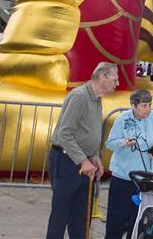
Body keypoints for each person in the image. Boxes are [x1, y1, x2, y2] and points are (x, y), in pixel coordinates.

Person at [46, 62, 118, 239]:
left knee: (81, 217)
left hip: (84, 164)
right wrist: (83, 160)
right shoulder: (79, 96)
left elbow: (88, 131)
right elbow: (65, 134)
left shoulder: (97, 98)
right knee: (61, 214)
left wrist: (94, 156)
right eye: (115, 79)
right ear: (102, 78)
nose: (117, 83)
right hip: (66, 162)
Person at [104, 88, 153, 239]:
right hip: (123, 176)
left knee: (138, 219)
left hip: (144, 177)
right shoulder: (122, 119)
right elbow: (109, 143)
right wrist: (123, 142)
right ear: (133, 105)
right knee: (117, 217)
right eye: (144, 106)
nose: (148, 109)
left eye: (149, 105)